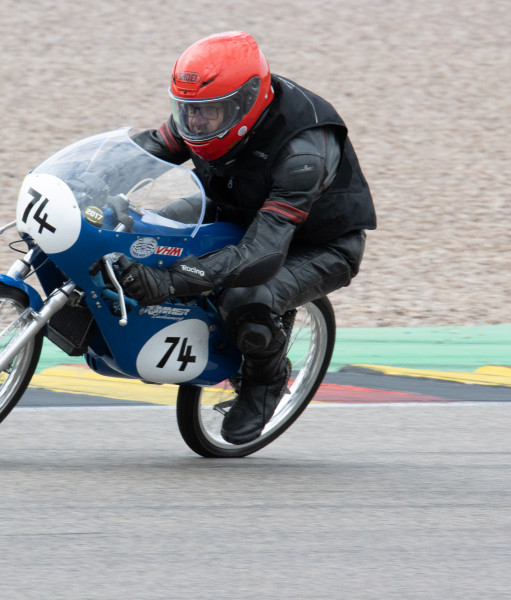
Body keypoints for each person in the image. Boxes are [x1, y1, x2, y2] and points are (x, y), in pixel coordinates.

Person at [120, 31, 377, 444]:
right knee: (143, 230)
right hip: (235, 211)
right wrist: (88, 180)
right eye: (187, 111)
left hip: (317, 244)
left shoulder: (304, 152)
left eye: (207, 112)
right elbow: (149, 149)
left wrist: (172, 280)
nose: (195, 123)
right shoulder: (208, 111)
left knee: (247, 299)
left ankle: (266, 382)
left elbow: (261, 254)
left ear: (245, 103)